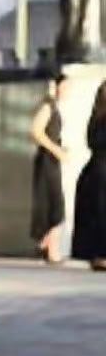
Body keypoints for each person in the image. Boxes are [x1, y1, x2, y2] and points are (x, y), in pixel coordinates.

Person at [29, 73, 69, 264]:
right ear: (56, 86)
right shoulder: (48, 106)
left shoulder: (54, 107)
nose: (68, 90)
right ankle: (49, 248)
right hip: (47, 161)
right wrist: (56, 150)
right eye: (66, 86)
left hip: (51, 160)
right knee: (56, 206)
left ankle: (47, 246)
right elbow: (36, 131)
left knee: (54, 205)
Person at [71, 77, 106, 272]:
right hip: (102, 171)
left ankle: (97, 255)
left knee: (96, 214)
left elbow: (91, 143)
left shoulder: (96, 118)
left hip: (95, 170)